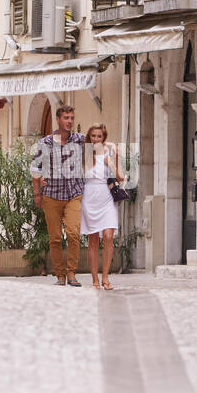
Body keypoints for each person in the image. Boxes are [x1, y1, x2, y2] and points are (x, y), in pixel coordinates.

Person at [30, 104, 85, 286]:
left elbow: (97, 149)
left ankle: (71, 273)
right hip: (51, 195)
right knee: (54, 238)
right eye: (66, 118)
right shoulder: (45, 142)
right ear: (58, 120)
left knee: (73, 233)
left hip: (73, 194)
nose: (69, 121)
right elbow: (35, 167)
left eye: (71, 118)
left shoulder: (80, 140)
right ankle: (60, 275)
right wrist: (37, 192)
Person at [81, 124, 125, 290]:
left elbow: (120, 177)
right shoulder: (85, 154)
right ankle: (94, 279)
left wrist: (113, 161)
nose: (96, 139)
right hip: (89, 197)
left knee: (108, 236)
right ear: (89, 137)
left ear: (104, 137)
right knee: (93, 240)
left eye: (99, 136)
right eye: (93, 136)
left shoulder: (110, 153)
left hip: (106, 197)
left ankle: (105, 277)